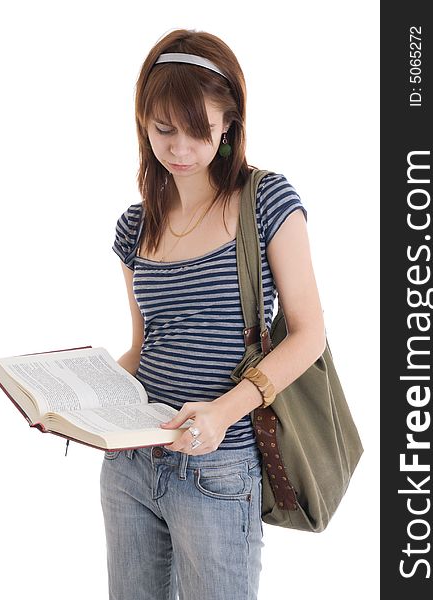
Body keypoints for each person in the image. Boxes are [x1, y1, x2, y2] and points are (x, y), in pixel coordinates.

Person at [100, 28, 326, 600]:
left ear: (229, 124)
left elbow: (309, 335)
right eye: (163, 130)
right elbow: (144, 344)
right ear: (143, 122)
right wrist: (84, 399)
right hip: (130, 465)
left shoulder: (265, 201)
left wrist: (224, 413)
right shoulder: (135, 225)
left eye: (198, 131)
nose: (179, 148)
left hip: (219, 470)